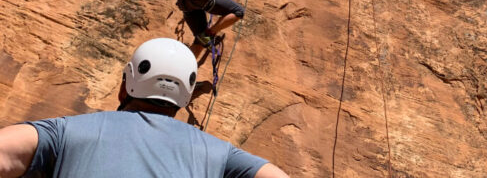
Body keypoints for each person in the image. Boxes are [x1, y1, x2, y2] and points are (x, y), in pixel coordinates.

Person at [0, 38, 288, 177]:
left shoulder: (65, 133)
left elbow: (6, 150)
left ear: (125, 85)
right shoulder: (220, 155)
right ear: (186, 97)